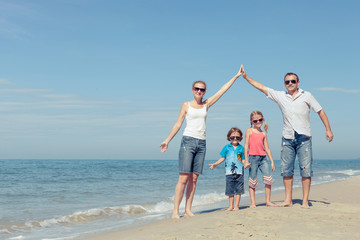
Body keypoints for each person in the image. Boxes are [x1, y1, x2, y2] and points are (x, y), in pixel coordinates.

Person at [241, 66, 334, 208]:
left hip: (304, 137)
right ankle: (288, 200)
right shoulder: (280, 96)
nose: (290, 83)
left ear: (298, 82)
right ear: (284, 84)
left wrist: (328, 129)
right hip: (287, 138)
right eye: (287, 82)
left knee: (305, 169)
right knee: (286, 170)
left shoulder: (307, 95)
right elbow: (262, 87)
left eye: (292, 81)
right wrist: (246, 77)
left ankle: (304, 201)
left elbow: (320, 111)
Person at [160, 65, 243, 219]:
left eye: (202, 89)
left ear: (205, 91)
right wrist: (167, 140)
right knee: (183, 178)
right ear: (192, 90)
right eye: (197, 89)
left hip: (202, 143)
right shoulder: (186, 105)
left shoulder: (206, 104)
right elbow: (178, 124)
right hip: (188, 142)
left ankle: (188, 210)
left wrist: (236, 76)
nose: (199, 91)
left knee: (194, 178)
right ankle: (175, 211)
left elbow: (221, 91)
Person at [209, 127, 250, 211]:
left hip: (239, 172)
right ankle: (231, 206)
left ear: (240, 138)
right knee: (230, 189)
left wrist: (245, 163)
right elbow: (223, 158)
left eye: (237, 137)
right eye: (232, 137)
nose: (235, 139)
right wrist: (216, 164)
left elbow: (241, 159)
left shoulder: (241, 148)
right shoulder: (226, 147)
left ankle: (236, 206)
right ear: (229, 138)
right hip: (229, 172)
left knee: (239, 189)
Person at [244, 110, 275, 208]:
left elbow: (267, 148)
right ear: (251, 122)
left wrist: (272, 162)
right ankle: (253, 203)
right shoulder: (249, 131)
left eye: (260, 120)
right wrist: (246, 160)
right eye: (255, 121)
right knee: (252, 180)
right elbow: (245, 146)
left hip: (263, 159)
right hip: (252, 158)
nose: (258, 122)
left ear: (263, 120)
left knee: (268, 179)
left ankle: (268, 201)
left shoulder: (263, 134)